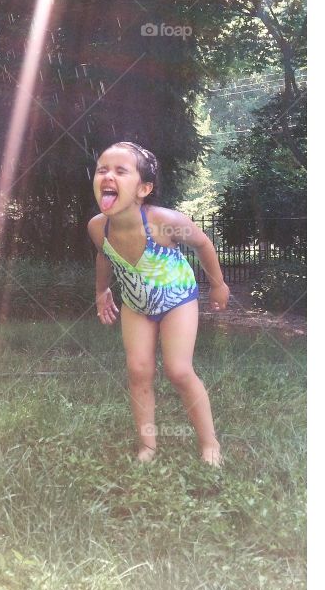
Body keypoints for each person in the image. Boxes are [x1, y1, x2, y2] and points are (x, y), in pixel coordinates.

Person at [86, 142, 229, 466]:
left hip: (177, 298)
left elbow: (203, 244)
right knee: (138, 370)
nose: (108, 175)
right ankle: (148, 446)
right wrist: (101, 291)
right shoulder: (98, 227)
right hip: (136, 304)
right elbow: (104, 255)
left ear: (144, 188)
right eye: (102, 169)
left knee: (178, 370)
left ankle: (209, 444)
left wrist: (218, 285)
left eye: (121, 171)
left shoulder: (164, 221)